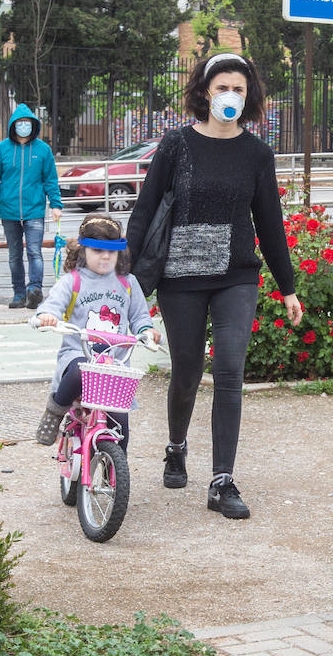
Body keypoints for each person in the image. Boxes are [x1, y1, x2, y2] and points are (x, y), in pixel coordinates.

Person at [126, 52, 303, 520]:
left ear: (249, 97)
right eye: (223, 87)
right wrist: (124, 277)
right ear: (205, 91)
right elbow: (144, 211)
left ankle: (222, 481)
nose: (231, 96)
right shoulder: (176, 145)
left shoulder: (256, 154)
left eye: (239, 90)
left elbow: (270, 223)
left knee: (229, 372)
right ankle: (176, 447)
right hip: (179, 279)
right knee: (185, 372)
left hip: (236, 277)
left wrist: (287, 287)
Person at [31, 214, 160, 447]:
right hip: (79, 355)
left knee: (120, 424)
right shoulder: (73, 281)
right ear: (83, 251)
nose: (106, 256)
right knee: (81, 370)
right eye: (98, 250)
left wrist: (147, 330)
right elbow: (53, 305)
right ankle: (55, 411)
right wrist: (46, 316)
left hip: (115, 364)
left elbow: (140, 316)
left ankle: (117, 475)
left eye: (112, 251)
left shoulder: (127, 283)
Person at [0, 104, 64, 309]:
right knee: (14, 254)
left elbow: (50, 180)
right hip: (9, 211)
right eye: (20, 123)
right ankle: (19, 294)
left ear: (34, 125)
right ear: (13, 125)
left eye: (27, 123)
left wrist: (56, 204)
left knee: (34, 251)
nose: (23, 127)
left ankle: (34, 290)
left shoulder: (43, 150)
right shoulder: (1, 149)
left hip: (34, 210)